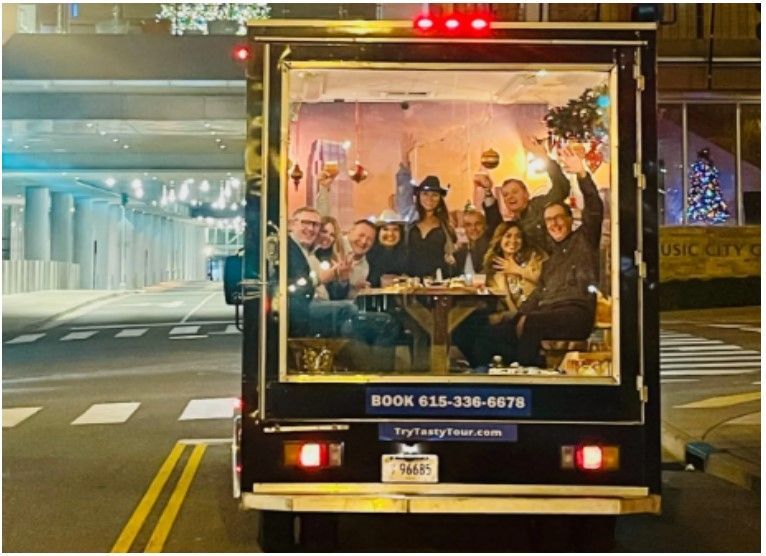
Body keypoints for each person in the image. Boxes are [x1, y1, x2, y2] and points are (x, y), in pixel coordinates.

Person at [483, 148, 603, 367]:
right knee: (494, 329)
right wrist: (515, 315)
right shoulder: (549, 253)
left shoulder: (584, 239)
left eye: (559, 218)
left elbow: (594, 207)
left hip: (576, 312)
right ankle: (508, 369)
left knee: (530, 323)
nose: (554, 223)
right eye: (549, 221)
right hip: (548, 310)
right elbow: (540, 291)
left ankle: (528, 374)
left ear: (570, 219)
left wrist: (581, 174)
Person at [455, 221, 543, 367]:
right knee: (463, 327)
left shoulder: (533, 258)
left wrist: (516, 270)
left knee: (485, 337)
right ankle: (479, 370)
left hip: (530, 315)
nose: (513, 241)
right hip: (508, 315)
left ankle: (483, 372)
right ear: (499, 239)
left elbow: (544, 282)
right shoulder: (493, 266)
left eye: (518, 237)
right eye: (508, 236)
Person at [487, 135, 572, 252]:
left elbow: (562, 188)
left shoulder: (540, 205)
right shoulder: (515, 224)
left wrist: (545, 158)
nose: (510, 197)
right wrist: (487, 192)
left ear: (526, 194)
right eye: (505, 195)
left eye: (514, 192)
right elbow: (495, 227)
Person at [405, 175, 458, 279]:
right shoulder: (409, 226)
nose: (429, 198)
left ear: (440, 199)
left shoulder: (446, 228)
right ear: (419, 196)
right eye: (425, 194)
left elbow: (452, 257)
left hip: (438, 284)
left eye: (434, 195)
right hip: (411, 284)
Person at [367, 209, 408, 287]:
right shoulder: (368, 255)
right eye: (385, 229)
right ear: (378, 233)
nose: (390, 234)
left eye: (395, 229)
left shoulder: (408, 255)